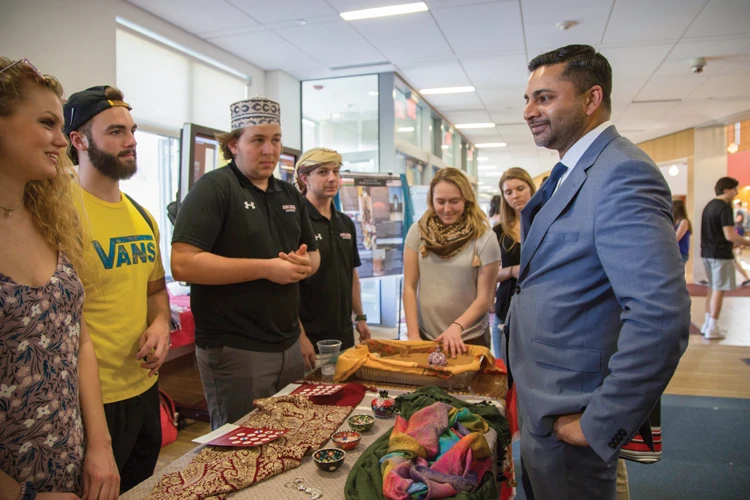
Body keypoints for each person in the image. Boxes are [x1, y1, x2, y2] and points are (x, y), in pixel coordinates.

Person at [510, 45, 690, 499]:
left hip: (572, 411)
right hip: (544, 400)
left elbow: (660, 317)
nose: (530, 111)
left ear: (592, 99)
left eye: (545, 98)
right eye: (528, 99)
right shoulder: (573, 171)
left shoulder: (623, 172)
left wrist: (600, 423)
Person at [0, 57, 119, 499]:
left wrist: (100, 447)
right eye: (47, 122)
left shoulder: (50, 219)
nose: (60, 140)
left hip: (72, 465)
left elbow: (78, 341)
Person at [171, 97, 320, 429]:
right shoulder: (213, 189)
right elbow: (183, 263)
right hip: (236, 349)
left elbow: (313, 255)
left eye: (276, 140)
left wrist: (303, 265)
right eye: (258, 140)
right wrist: (267, 268)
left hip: (288, 342)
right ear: (232, 145)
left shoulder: (288, 194)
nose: (270, 150)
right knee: (241, 446)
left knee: (289, 436)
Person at [64, 85, 171, 493]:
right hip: (87, 402)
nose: (131, 141)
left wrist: (160, 324)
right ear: (78, 140)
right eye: (115, 132)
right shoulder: (59, 214)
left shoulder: (143, 217)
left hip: (143, 388)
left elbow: (154, 291)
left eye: (132, 129)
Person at [403, 167, 501, 358]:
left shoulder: (484, 238)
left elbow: (485, 298)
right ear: (432, 200)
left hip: (468, 338)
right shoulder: (418, 232)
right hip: (426, 336)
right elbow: (409, 286)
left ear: (466, 199)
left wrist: (457, 326)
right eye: (440, 201)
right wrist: (413, 334)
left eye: (454, 201)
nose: (447, 209)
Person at [294, 148, 371, 360]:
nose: (332, 178)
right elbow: (286, 287)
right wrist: (300, 338)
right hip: (309, 339)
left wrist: (360, 317)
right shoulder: (295, 222)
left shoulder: (345, 222)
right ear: (304, 178)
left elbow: (351, 274)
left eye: (336, 172)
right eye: (323, 172)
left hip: (344, 336)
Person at [491, 167, 536, 362]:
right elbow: (487, 275)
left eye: (520, 188)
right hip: (505, 308)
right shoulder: (499, 231)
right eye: (508, 192)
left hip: (537, 311)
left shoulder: (546, 223)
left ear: (531, 188)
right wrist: (511, 271)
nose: (515, 196)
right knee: (503, 374)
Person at [699, 177, 750, 338]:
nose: (736, 193)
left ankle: (707, 324)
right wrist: (746, 242)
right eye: (735, 189)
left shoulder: (709, 206)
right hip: (720, 254)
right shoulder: (724, 208)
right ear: (726, 190)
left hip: (707, 252)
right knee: (718, 290)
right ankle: (712, 327)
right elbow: (729, 235)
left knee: (713, 288)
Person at [672, 199, 691, 266]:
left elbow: (676, 238)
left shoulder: (684, 222)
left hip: (681, 254)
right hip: (675, 253)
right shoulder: (675, 222)